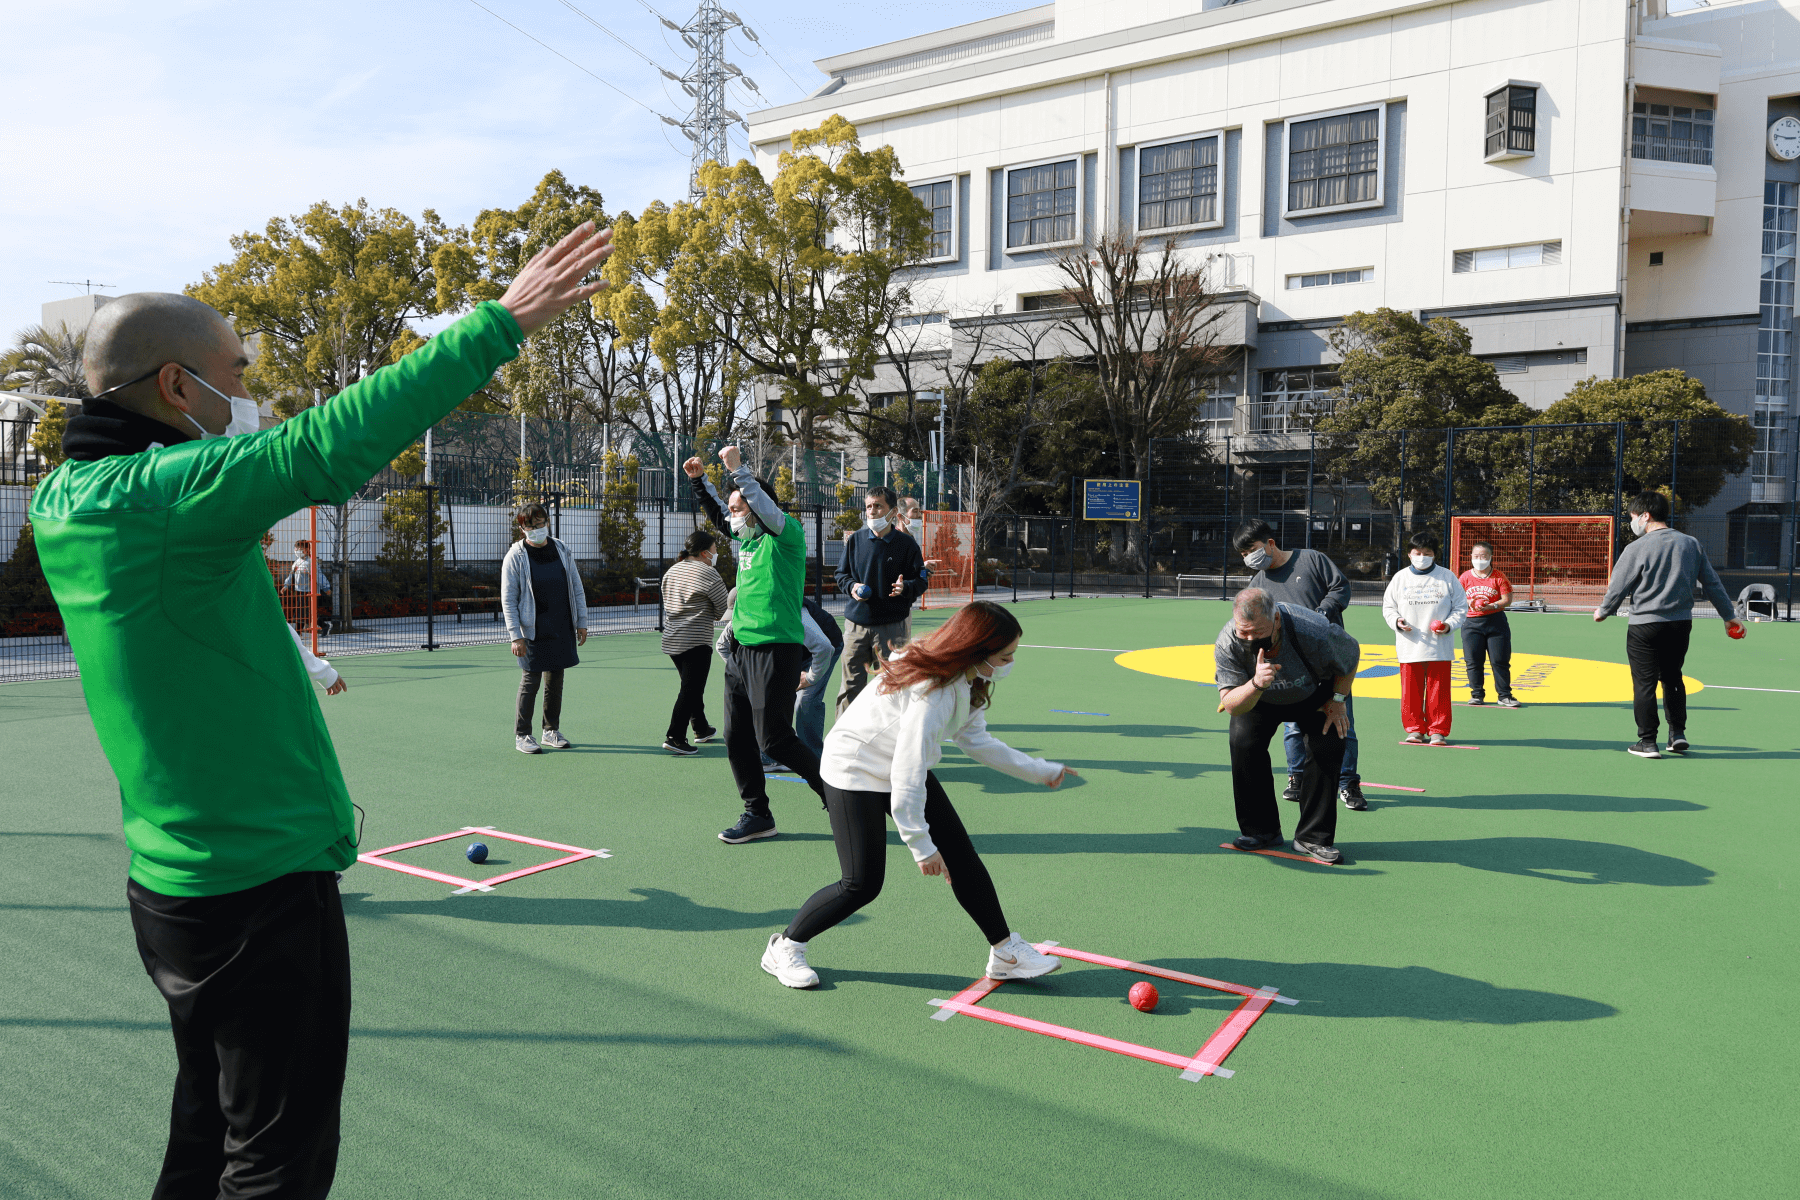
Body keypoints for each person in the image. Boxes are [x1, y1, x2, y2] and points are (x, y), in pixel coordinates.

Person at [29, 223, 614, 1196]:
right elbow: (323, 446)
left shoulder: (64, 495)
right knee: (277, 1163)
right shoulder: (165, 492)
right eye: (234, 370)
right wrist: (499, 324)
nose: (246, 388)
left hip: (175, 883)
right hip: (257, 889)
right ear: (178, 389)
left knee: (208, 1133)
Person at [760, 600, 1076, 989]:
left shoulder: (965, 677)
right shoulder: (933, 691)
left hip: (894, 763)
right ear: (978, 649)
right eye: (1006, 654)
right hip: (853, 770)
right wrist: (920, 844)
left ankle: (1005, 952)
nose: (1010, 662)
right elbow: (908, 770)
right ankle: (786, 946)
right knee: (861, 883)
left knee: (962, 856)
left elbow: (976, 740)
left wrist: (1041, 771)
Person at [684, 445, 826, 843]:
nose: (733, 513)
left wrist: (739, 471)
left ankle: (835, 795)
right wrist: (699, 482)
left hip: (776, 649)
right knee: (737, 737)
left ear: (760, 507)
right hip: (741, 651)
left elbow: (762, 509)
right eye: (732, 507)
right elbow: (718, 514)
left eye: (740, 506)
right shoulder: (745, 540)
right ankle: (757, 814)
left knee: (776, 740)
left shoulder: (787, 535)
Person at [1214, 588, 1361, 864]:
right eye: (1242, 631)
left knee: (1328, 742)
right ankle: (1261, 831)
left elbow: (1350, 655)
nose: (1248, 638)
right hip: (1256, 695)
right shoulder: (1228, 641)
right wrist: (1257, 682)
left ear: (1277, 619)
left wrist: (1338, 700)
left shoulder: (1313, 630)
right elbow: (1232, 704)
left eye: (1256, 631)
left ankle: (1312, 837)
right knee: (1243, 742)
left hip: (1314, 694)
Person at [1595, 490, 1744, 758]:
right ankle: (1677, 734)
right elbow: (1712, 583)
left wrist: (1604, 610)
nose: (1633, 524)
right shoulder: (1690, 544)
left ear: (1645, 516)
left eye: (1633, 518)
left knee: (1644, 683)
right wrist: (1728, 615)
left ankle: (1647, 741)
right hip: (1680, 624)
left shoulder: (1636, 548)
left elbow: (1619, 584)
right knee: (1673, 677)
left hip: (1644, 625)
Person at [1233, 519, 1365, 810]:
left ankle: (1348, 783)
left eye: (1251, 550)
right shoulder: (1258, 583)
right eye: (1242, 555)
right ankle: (1297, 776)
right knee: (1292, 726)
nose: (1248, 558)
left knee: (1343, 723)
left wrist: (1321, 614)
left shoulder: (1311, 559)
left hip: (1328, 660)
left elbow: (1339, 588)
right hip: (1291, 669)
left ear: (1270, 543)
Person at [502, 502, 590, 754]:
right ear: (522, 528)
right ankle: (523, 735)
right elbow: (508, 598)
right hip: (532, 630)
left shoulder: (561, 548)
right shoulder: (516, 556)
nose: (536, 529)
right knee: (531, 680)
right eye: (529, 525)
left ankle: (550, 730)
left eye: (540, 523)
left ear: (547, 522)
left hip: (561, 624)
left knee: (556, 679)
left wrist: (581, 621)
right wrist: (515, 635)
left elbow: (576, 586)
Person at [835, 485, 928, 715]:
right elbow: (841, 575)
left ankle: (887, 743)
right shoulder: (855, 540)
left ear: (892, 511)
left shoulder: (907, 545)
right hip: (855, 627)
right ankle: (844, 743)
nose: (872, 511)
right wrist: (852, 586)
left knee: (892, 688)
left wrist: (905, 587)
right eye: (868, 507)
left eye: (878, 506)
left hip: (891, 628)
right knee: (849, 688)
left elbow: (921, 581)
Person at [1382, 531, 1469, 745]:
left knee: (1438, 690)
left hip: (1439, 645)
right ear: (1410, 554)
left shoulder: (1447, 577)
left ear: (1435, 555)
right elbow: (1388, 607)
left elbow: (1460, 607)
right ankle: (1414, 730)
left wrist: (1448, 625)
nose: (1422, 556)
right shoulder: (1400, 578)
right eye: (1417, 552)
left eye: (1427, 553)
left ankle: (1437, 731)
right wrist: (1397, 622)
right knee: (1410, 691)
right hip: (1409, 645)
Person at [660, 528, 728, 755]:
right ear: (704, 552)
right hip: (696, 638)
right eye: (714, 551)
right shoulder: (708, 573)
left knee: (691, 685)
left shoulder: (672, 571)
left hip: (673, 638)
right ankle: (675, 736)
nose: (715, 555)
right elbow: (722, 608)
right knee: (691, 688)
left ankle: (701, 727)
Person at [1458, 539, 1520, 708]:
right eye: (1476, 556)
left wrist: (1492, 605)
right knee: (1473, 661)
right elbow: (1457, 596)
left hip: (1495, 622)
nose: (1479, 559)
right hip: (1471, 622)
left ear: (1490, 557)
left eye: (1483, 556)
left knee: (1499, 660)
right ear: (1471, 556)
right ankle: (1476, 694)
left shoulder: (1499, 576)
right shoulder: (1465, 577)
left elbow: (1507, 599)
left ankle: (1504, 695)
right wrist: (1469, 601)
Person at [796, 593, 843, 757]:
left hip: (825, 647)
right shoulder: (747, 613)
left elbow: (824, 648)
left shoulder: (795, 609)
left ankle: (812, 756)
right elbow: (723, 645)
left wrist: (810, 678)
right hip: (796, 650)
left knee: (806, 699)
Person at [284, 537, 334, 636]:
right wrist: (286, 585)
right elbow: (291, 574)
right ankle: (324, 626)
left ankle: (298, 633)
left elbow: (318, 575)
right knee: (307, 614)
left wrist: (326, 587)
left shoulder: (311, 562)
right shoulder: (297, 562)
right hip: (299, 591)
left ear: (306, 550)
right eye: (296, 549)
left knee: (302, 613)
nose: (297, 551)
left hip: (310, 592)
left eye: (299, 549)